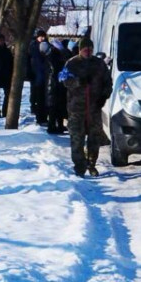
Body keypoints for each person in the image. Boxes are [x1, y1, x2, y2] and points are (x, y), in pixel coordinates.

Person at [61, 37, 112, 177]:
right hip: (76, 108)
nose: (87, 52)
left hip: (94, 108)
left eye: (90, 49)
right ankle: (79, 165)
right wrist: (78, 81)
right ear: (80, 50)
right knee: (77, 138)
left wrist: (104, 96)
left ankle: (91, 164)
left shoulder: (99, 64)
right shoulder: (71, 63)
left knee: (94, 138)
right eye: (85, 49)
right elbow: (64, 80)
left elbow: (108, 83)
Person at [42, 39, 71, 134]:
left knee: (59, 106)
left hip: (56, 85)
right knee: (54, 107)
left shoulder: (53, 56)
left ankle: (59, 125)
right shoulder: (53, 57)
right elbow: (54, 71)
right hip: (54, 85)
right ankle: (52, 126)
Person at [28, 28, 49, 124]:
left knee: (43, 93)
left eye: (44, 37)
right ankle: (34, 107)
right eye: (41, 37)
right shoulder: (33, 45)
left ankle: (42, 111)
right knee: (35, 91)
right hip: (35, 71)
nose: (43, 38)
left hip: (43, 71)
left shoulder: (46, 45)